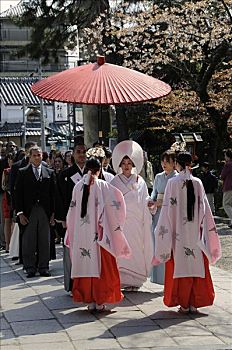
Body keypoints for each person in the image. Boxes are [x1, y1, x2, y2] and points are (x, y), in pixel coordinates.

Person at [152, 152, 221, 314]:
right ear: (190, 164)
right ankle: (195, 303)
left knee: (179, 266)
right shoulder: (197, 182)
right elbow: (205, 210)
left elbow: (167, 212)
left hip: (178, 235)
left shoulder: (172, 183)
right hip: (195, 233)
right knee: (196, 266)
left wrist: (161, 232)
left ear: (177, 164)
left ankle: (183, 303)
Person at [65, 157, 131, 311]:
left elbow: (72, 213)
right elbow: (118, 205)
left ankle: (89, 300)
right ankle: (100, 300)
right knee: (103, 267)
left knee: (85, 264)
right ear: (99, 170)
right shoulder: (104, 186)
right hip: (101, 236)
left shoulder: (78, 187)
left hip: (82, 236)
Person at [111, 140, 153, 291]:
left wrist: (150, 204)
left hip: (136, 222)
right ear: (120, 165)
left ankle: (135, 281)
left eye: (129, 162)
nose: (127, 166)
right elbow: (111, 202)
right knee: (122, 252)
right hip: (121, 223)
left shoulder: (140, 180)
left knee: (136, 249)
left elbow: (145, 198)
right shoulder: (114, 182)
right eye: (124, 163)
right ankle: (121, 279)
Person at [14, 146, 55, 278]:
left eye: (39, 155)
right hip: (28, 211)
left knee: (45, 239)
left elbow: (53, 195)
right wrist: (20, 213)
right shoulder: (22, 172)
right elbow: (17, 194)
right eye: (34, 155)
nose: (37, 157)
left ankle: (44, 266)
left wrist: (54, 213)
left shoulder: (49, 172)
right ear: (29, 157)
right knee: (29, 240)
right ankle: (30, 267)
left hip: (45, 210)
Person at [58, 143, 87, 293]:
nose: (81, 155)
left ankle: (87, 283)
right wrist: (62, 218)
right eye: (78, 152)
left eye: (84, 152)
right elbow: (61, 198)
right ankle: (71, 285)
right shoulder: (65, 174)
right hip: (72, 217)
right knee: (70, 251)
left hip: (89, 218)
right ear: (73, 155)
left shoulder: (93, 172)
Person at [148, 150, 178, 284]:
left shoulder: (177, 178)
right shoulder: (159, 177)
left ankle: (170, 276)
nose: (164, 164)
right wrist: (151, 201)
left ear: (174, 163)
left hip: (170, 213)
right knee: (158, 242)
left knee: (170, 244)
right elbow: (154, 192)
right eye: (163, 161)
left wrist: (163, 202)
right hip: (158, 213)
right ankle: (159, 278)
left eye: (168, 162)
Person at [221, 149, 232, 228]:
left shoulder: (228, 164)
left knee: (226, 204)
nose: (224, 157)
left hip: (228, 186)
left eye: (225, 155)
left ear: (228, 157)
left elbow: (222, 175)